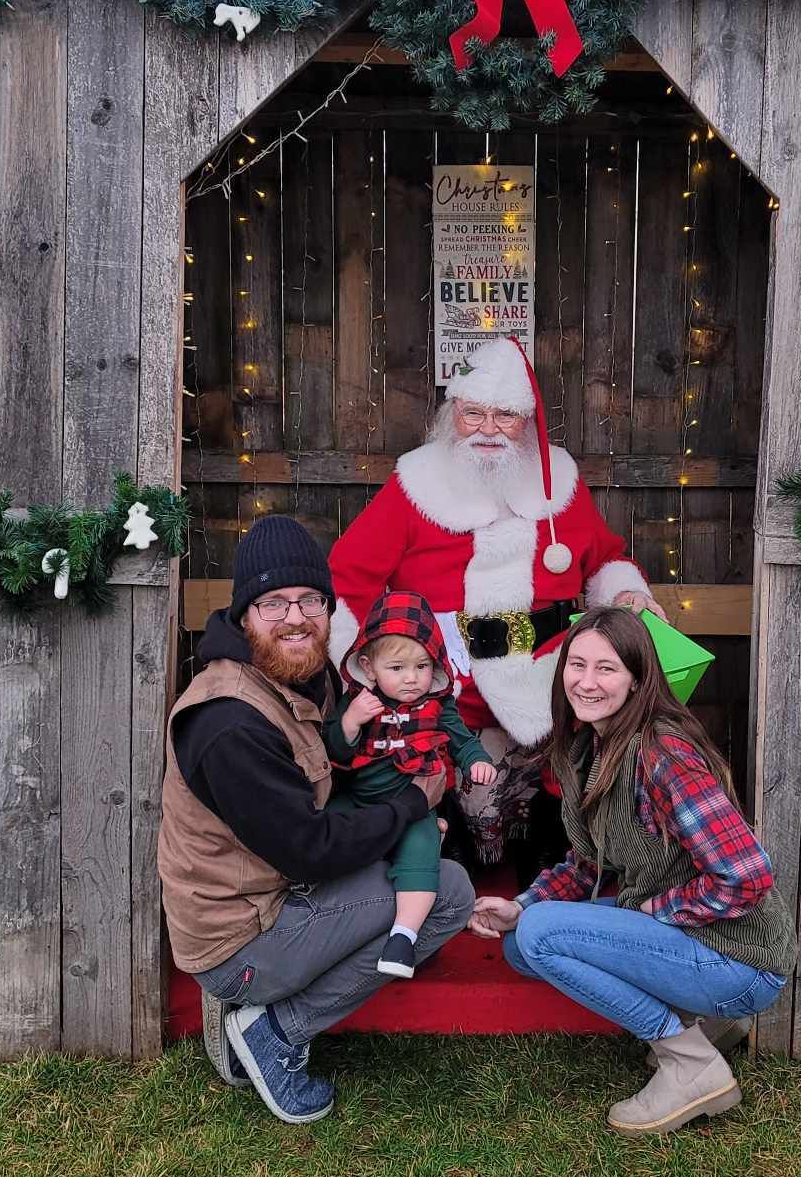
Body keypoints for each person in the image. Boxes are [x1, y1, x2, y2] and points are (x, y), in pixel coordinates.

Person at [157, 515, 474, 1126]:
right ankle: (273, 1029)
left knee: (425, 865)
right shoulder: (229, 722)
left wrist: (404, 818)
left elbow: (343, 780)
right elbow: (310, 849)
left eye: (309, 600)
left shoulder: (302, 675)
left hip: (280, 891)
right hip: (241, 939)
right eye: (273, 603)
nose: (295, 618)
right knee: (448, 894)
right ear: (244, 614)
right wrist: (412, 805)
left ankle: (282, 1001)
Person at [329, 335, 666, 862]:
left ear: (527, 421)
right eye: (473, 413)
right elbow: (351, 577)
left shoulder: (560, 482)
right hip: (447, 689)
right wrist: (372, 669)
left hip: (555, 679)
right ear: (452, 413)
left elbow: (602, 560)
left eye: (505, 416)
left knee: (563, 827)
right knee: (444, 833)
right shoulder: (415, 483)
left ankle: (551, 898)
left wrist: (625, 591)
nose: (488, 429)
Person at [470, 608, 797, 1137]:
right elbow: (586, 863)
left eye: (607, 668)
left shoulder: (664, 755)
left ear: (639, 678)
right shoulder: (590, 748)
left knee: (544, 936)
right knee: (522, 939)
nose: (587, 681)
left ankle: (689, 1062)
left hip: (741, 959)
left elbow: (747, 876)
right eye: (577, 664)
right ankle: (706, 1023)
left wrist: (656, 910)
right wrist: (521, 906)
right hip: (694, 943)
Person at [323, 591, 497, 980]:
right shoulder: (358, 701)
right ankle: (321, 907)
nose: (411, 678)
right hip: (360, 800)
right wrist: (350, 721)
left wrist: (478, 761)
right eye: (398, 667)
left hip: (414, 803)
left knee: (422, 852)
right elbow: (333, 747)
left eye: (421, 666)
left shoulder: (437, 705)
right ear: (368, 667)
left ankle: (403, 936)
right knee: (328, 827)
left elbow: (462, 739)